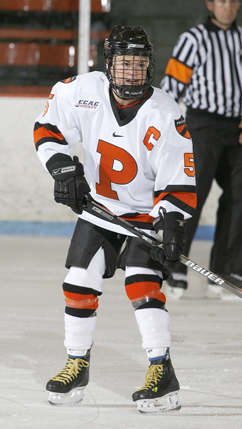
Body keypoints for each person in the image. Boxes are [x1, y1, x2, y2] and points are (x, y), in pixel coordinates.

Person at [34, 25, 196, 412]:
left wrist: (171, 225)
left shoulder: (165, 111)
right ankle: (77, 363)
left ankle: (163, 370)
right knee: (78, 281)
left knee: (142, 285)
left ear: (149, 66)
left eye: (139, 64)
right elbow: (47, 128)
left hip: (145, 217)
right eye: (124, 64)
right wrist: (63, 170)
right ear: (109, 64)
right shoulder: (82, 91)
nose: (131, 73)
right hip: (102, 211)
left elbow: (178, 179)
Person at [160, 0, 242, 300]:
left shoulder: (241, 37)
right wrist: (169, 130)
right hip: (202, 125)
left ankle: (227, 271)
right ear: (210, 4)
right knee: (192, 195)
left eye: (234, 1)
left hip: (237, 128)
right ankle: (175, 265)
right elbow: (171, 86)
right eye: (222, 1)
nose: (229, 7)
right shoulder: (192, 39)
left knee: (239, 195)